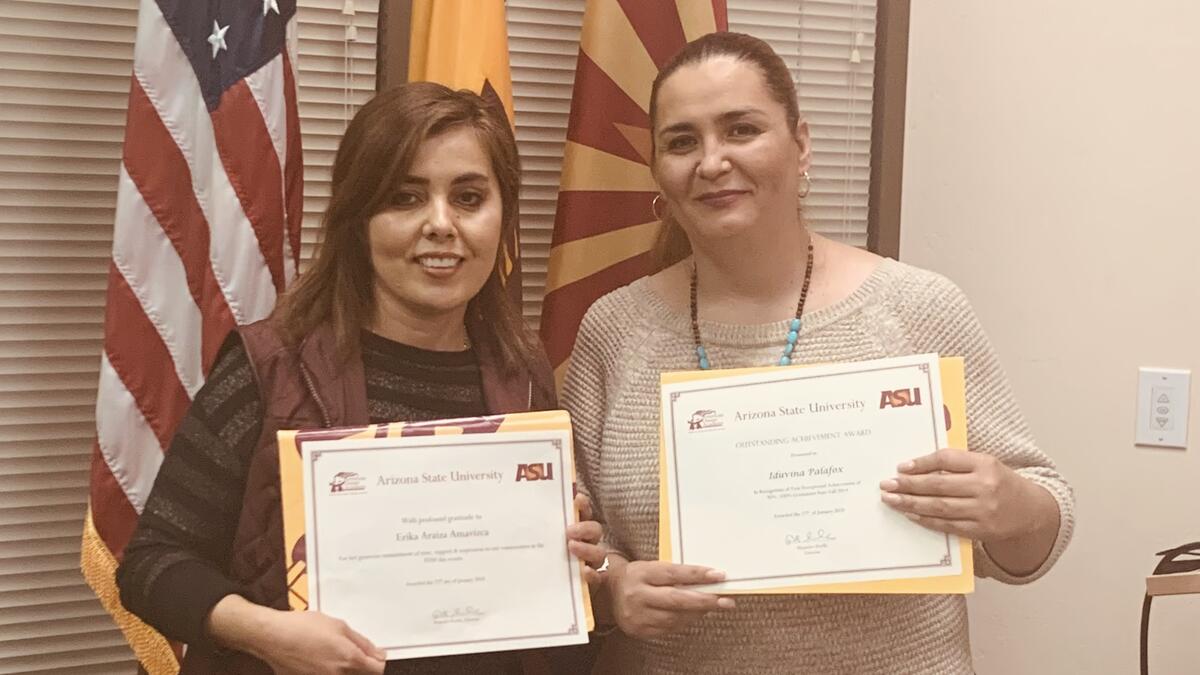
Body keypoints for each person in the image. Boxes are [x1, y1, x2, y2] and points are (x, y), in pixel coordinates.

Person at [562, 32, 1075, 674]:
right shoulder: (613, 329)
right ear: (657, 168)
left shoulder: (918, 307)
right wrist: (612, 587)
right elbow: (576, 545)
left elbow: (1037, 540)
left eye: (741, 129)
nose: (712, 161)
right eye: (683, 141)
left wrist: (1012, 504)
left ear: (800, 143)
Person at [117, 82, 606, 675]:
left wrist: (572, 552)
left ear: (503, 219)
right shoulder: (269, 365)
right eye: (405, 197)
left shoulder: (523, 374)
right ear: (358, 218)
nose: (441, 225)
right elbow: (152, 565)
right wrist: (263, 632)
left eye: (470, 197)